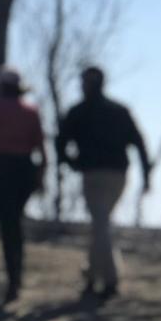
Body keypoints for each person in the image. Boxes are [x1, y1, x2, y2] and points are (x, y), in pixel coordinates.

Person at [55, 66, 151, 301]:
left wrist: (69, 163)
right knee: (101, 225)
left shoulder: (79, 112)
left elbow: (60, 143)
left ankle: (109, 279)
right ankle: (92, 275)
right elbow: (139, 144)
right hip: (115, 174)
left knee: (101, 225)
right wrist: (146, 175)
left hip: (97, 175)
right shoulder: (118, 111)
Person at [0, 66, 47, 305]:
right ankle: (17, 273)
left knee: (8, 223)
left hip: (1, 167)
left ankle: (13, 277)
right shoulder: (31, 111)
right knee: (15, 220)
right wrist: (41, 174)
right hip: (24, 168)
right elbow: (41, 147)